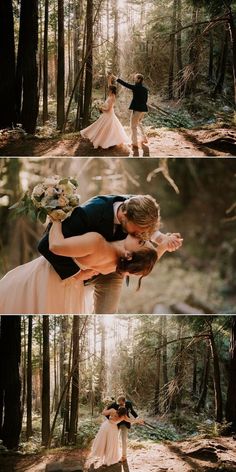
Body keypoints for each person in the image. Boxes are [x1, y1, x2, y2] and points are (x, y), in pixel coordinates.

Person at [0, 194, 183, 314]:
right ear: (124, 216)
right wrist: (76, 273)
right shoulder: (89, 214)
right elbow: (47, 245)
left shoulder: (137, 210)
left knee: (106, 314)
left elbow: (146, 253)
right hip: (69, 268)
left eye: (145, 236)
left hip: (106, 269)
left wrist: (163, 241)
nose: (143, 236)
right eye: (140, 234)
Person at [80, 76, 130, 149]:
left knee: (107, 127)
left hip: (109, 114)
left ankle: (109, 141)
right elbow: (109, 85)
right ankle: (106, 140)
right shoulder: (110, 94)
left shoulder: (112, 97)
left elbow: (109, 109)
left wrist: (101, 108)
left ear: (112, 91)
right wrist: (109, 78)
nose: (108, 90)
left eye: (109, 89)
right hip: (106, 114)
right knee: (100, 126)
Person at [111, 73, 148, 148]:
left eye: (135, 78)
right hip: (143, 109)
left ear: (139, 79)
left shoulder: (136, 87)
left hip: (137, 110)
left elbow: (125, 84)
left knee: (133, 126)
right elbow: (145, 100)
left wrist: (116, 78)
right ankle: (144, 138)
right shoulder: (145, 89)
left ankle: (134, 143)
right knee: (138, 123)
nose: (134, 79)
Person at [105, 395, 138, 462]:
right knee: (114, 440)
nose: (119, 404)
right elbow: (107, 411)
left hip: (125, 423)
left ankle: (124, 456)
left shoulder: (128, 403)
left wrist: (137, 418)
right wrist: (110, 419)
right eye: (118, 403)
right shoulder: (114, 404)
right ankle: (113, 455)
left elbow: (131, 411)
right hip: (116, 424)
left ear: (124, 401)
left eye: (121, 403)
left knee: (124, 440)